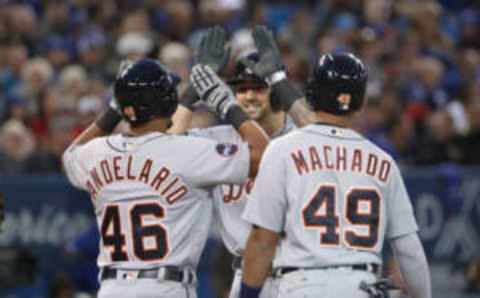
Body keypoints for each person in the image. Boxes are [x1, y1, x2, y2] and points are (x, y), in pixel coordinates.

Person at [62, 58, 269, 298]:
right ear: (167, 102)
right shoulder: (187, 151)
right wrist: (226, 103)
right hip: (165, 287)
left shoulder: (97, 153)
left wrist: (113, 111)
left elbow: (69, 157)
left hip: (112, 288)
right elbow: (264, 155)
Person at [240, 52, 432, 298]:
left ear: (312, 92)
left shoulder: (282, 150)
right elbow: (409, 250)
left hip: (302, 284)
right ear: (361, 101)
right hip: (361, 285)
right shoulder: (384, 161)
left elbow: (262, 240)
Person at [173, 26, 314, 298]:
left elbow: (331, 138)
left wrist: (281, 80)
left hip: (300, 274)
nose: (249, 96)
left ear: (275, 92)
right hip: (246, 275)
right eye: (241, 89)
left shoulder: (302, 137)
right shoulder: (217, 142)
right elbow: (164, 145)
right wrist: (195, 89)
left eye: (259, 88)